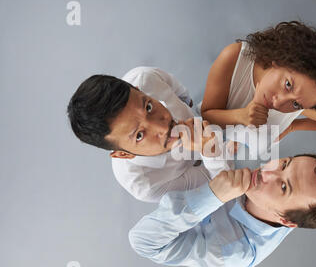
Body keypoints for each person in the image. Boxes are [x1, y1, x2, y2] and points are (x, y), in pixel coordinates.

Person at [128, 154, 316, 267]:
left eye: (283, 187)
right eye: (285, 163)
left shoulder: (234, 252)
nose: (268, 172)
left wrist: (212, 195)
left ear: (285, 220)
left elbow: (143, 242)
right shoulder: (266, 186)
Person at [67, 67, 230, 203]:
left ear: (139, 90)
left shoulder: (145, 78)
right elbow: (218, 187)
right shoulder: (146, 184)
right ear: (123, 154)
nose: (163, 127)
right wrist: (210, 150)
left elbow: (183, 96)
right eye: (139, 135)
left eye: (148, 108)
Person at [200, 21, 316, 143]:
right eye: (287, 85)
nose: (279, 104)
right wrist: (240, 116)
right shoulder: (235, 58)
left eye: (296, 105)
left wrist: (293, 126)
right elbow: (205, 116)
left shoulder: (303, 97)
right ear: (282, 59)